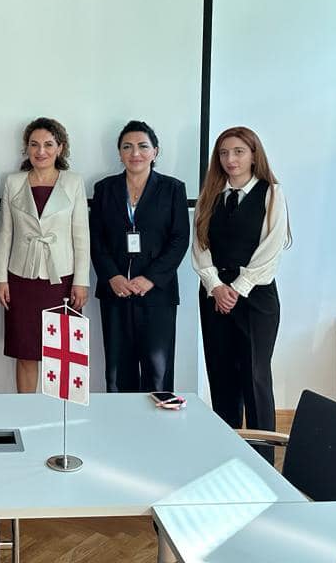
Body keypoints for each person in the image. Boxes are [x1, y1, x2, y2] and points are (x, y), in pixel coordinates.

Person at [192, 126, 290, 460]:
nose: (230, 159)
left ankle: (263, 459)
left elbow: (271, 248)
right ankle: (227, 455)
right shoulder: (210, 194)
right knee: (221, 376)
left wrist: (237, 288)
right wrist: (216, 286)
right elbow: (200, 246)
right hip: (214, 296)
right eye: (224, 153)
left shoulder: (271, 193)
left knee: (255, 376)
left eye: (238, 152)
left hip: (256, 297)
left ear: (253, 154)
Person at [90, 120, 189, 393]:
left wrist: (150, 278)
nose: (135, 153)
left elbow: (179, 239)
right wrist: (112, 276)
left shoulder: (172, 189)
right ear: (119, 153)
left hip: (157, 294)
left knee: (158, 371)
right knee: (117, 372)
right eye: (127, 147)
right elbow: (96, 239)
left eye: (143, 146)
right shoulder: (105, 189)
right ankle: (120, 420)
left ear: (155, 151)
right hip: (116, 292)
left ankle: (158, 421)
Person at [0, 117, 90, 393]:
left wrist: (81, 281)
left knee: (61, 352)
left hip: (61, 279)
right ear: (27, 148)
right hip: (21, 279)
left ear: (60, 148)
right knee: (25, 352)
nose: (41, 151)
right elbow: (5, 233)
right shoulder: (13, 182)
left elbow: (81, 236)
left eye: (48, 144)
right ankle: (26, 410)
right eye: (34, 144)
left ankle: (57, 414)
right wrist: (1, 278)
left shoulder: (73, 182)